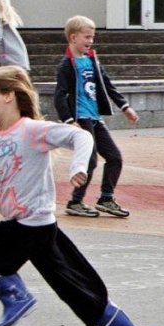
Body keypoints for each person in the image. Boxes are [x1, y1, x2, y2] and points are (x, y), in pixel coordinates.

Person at [0, 66, 148, 326]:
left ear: (9, 95)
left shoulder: (32, 131)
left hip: (33, 225)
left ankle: (14, 293)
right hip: (31, 227)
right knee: (75, 285)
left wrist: (78, 167)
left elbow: (81, 136)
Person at [54, 16, 138, 218]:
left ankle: (106, 198)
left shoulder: (92, 61)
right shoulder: (66, 65)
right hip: (81, 118)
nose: (90, 41)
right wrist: (68, 120)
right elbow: (60, 96)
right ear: (73, 37)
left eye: (92, 37)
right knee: (89, 161)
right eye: (87, 37)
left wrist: (125, 107)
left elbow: (108, 85)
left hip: (95, 118)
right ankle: (75, 201)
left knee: (115, 158)